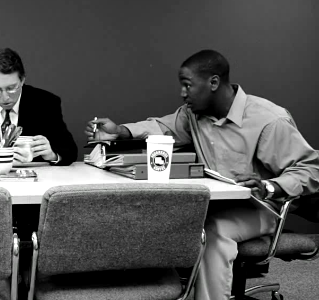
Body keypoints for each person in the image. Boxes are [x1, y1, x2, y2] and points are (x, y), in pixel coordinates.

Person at [84, 49, 319, 300]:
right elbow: (162, 127)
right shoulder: (193, 115)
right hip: (214, 204)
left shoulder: (269, 120)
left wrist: (270, 186)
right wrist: (119, 131)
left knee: (214, 230)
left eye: (187, 85)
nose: (182, 93)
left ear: (214, 82)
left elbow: (310, 168)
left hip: (261, 208)